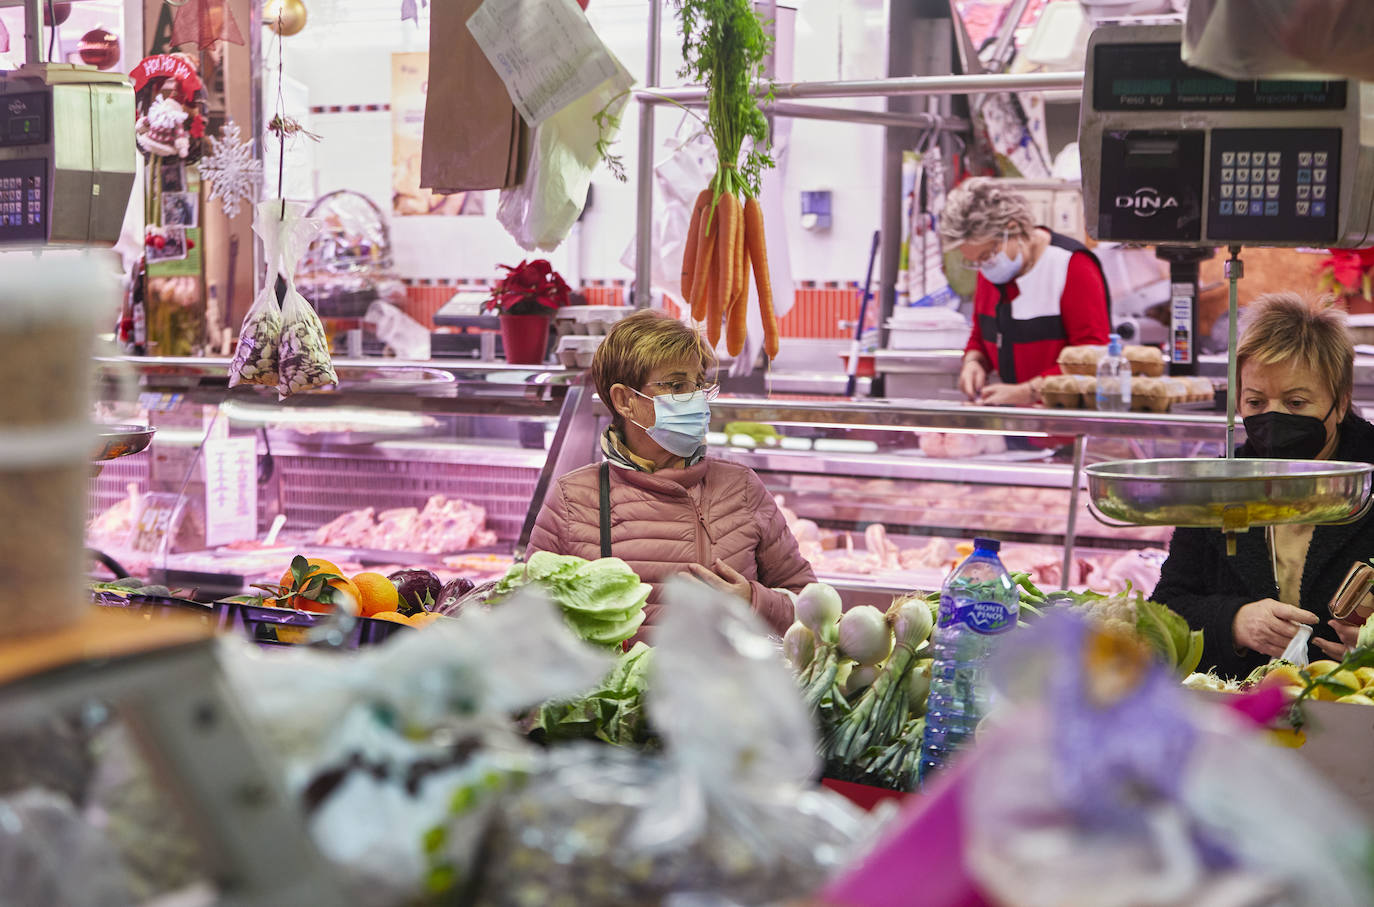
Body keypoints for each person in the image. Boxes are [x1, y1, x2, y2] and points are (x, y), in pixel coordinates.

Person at [528, 310, 815, 635]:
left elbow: (812, 610)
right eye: (677, 385)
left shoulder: (741, 487)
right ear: (624, 400)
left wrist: (753, 602)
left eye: (699, 385)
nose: (696, 400)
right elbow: (530, 623)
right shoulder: (573, 500)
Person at [1152, 293, 1374, 678]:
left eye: (1295, 403)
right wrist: (1233, 621)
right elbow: (1167, 609)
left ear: (1339, 403)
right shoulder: (1219, 486)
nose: (1273, 419)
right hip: (1241, 714)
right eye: (1255, 403)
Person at [940, 177, 1112, 406]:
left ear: (1013, 229)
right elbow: (981, 334)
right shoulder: (992, 270)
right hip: (1015, 425)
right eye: (975, 261)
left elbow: (1093, 358)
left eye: (986, 256)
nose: (983, 267)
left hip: (1066, 421)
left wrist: (1030, 391)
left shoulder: (1072, 266)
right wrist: (974, 362)